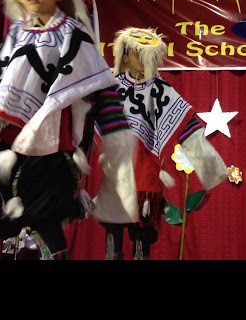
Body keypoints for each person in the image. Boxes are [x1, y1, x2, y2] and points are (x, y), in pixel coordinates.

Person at [0, 0, 138, 260]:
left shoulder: (74, 35)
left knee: (44, 222)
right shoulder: (15, 36)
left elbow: (99, 86)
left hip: (49, 149)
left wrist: (115, 134)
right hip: (6, 147)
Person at [92, 26, 229, 260]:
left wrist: (210, 165)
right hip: (117, 170)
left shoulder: (160, 89)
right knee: (113, 234)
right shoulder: (110, 86)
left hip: (147, 174)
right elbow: (89, 118)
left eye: (149, 55)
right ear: (125, 55)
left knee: (141, 235)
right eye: (138, 53)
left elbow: (186, 124)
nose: (143, 59)